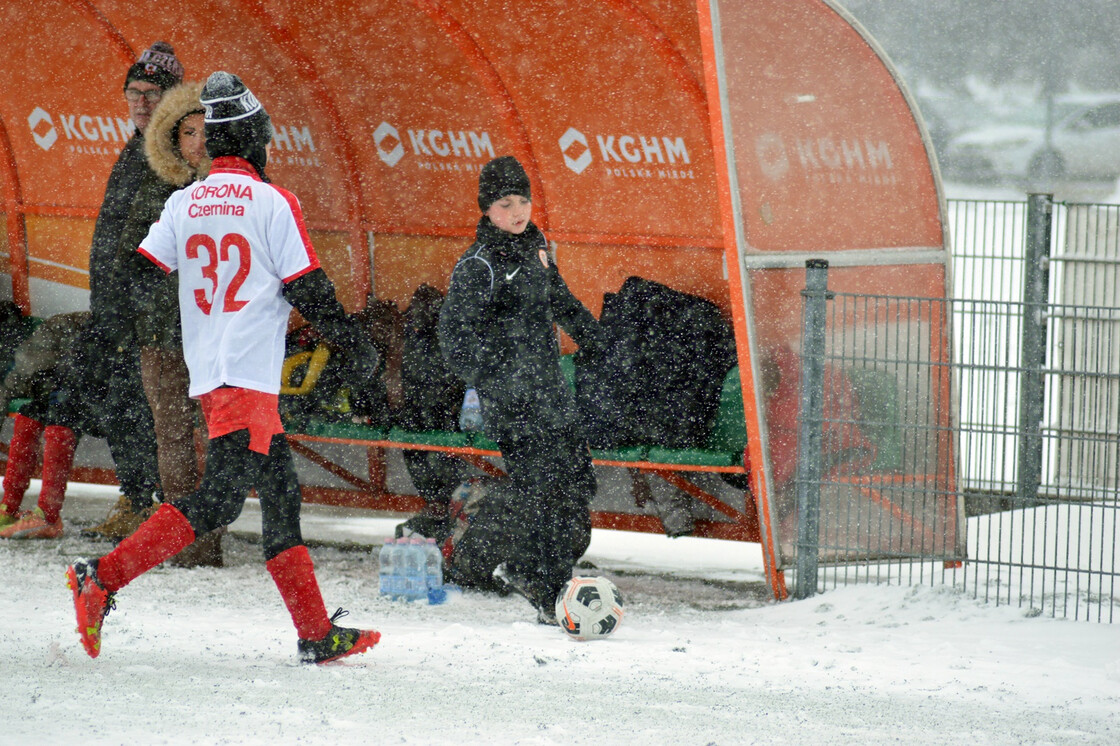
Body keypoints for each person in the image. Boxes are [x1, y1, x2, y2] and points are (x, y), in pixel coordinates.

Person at [66, 72, 381, 664]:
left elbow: (135, 276)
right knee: (218, 503)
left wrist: (128, 330)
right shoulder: (272, 201)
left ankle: (315, 632)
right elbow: (309, 288)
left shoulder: (184, 201)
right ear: (257, 139)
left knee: (281, 496)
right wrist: (355, 347)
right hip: (246, 378)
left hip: (211, 372)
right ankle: (101, 577)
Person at [437, 156, 604, 623]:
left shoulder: (538, 248)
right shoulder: (478, 264)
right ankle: (539, 580)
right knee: (542, 490)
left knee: (575, 487)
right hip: (514, 404)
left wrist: (600, 343)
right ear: (487, 210)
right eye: (505, 204)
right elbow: (454, 338)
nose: (517, 212)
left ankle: (540, 571)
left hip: (551, 395)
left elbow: (562, 301)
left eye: (523, 201)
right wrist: (497, 374)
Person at [72, 41, 185, 540]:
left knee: (149, 412)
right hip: (117, 308)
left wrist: (137, 302)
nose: (140, 102)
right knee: (119, 405)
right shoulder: (134, 146)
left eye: (151, 92)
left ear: (171, 98)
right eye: (133, 92)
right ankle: (137, 497)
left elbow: (159, 244)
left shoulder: (175, 151)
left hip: (153, 315)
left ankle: (156, 506)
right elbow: (114, 236)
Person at [113, 80, 220, 566]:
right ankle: (185, 539)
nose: (198, 142)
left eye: (207, 131)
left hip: (220, 337)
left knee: (222, 437)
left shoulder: (239, 190)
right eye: (188, 132)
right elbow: (130, 259)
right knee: (174, 436)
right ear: (172, 138)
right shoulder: (159, 187)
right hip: (165, 335)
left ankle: (209, 536)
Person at [0, 313, 89, 538]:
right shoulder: (56, 333)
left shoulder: (99, 331)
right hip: (69, 388)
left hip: (93, 393)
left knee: (59, 418)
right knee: (30, 415)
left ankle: (47, 515)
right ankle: (9, 507)